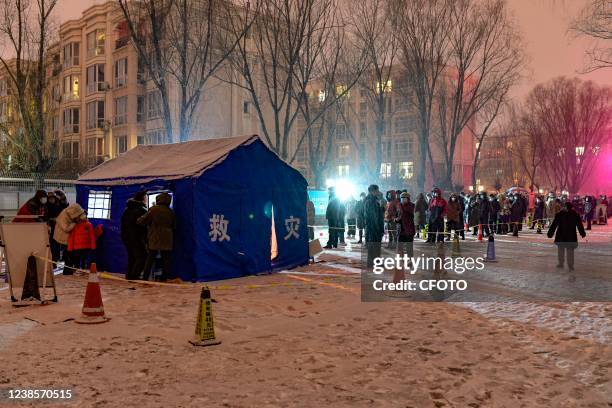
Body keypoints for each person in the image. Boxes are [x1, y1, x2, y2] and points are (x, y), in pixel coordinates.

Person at [138, 192, 175, 281]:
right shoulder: (170, 211)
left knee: (150, 258)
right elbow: (174, 225)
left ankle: (145, 277)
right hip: (167, 237)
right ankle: (164, 278)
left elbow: (142, 221)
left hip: (155, 236)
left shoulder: (154, 209)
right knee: (165, 259)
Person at [547, 201, 586, 272]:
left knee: (561, 250)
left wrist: (550, 233)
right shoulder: (575, 214)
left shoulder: (559, 214)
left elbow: (554, 225)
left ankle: (561, 263)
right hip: (571, 236)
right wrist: (582, 233)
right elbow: (579, 225)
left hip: (561, 235)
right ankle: (570, 265)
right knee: (570, 251)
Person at [121, 191, 149, 280]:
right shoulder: (141, 210)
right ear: (143, 199)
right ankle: (134, 276)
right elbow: (143, 225)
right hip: (136, 237)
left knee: (132, 257)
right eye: (146, 197)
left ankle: (129, 276)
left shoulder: (127, 209)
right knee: (142, 257)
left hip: (126, 237)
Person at [53, 203, 86, 275]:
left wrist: (82, 218)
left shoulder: (75, 212)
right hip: (62, 237)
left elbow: (82, 216)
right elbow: (66, 229)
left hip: (70, 238)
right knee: (68, 255)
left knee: (71, 254)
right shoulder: (63, 216)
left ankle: (71, 270)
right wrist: (74, 223)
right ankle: (67, 272)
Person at [364, 184, 385, 267]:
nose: (378, 192)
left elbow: (379, 212)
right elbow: (374, 217)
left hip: (375, 227)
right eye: (377, 190)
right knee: (374, 246)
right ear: (372, 191)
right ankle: (372, 262)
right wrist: (378, 229)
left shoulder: (375, 200)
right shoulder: (370, 201)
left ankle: (375, 261)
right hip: (373, 228)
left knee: (376, 246)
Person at [45, 191, 65, 262]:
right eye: (50, 198)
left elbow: (65, 206)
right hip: (51, 227)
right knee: (52, 244)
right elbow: (45, 217)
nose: (52, 200)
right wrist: (52, 219)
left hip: (58, 227)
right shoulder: (46, 206)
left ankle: (56, 258)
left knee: (57, 244)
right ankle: (53, 260)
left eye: (53, 198)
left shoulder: (58, 205)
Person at [395, 192, 415, 261]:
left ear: (408, 199)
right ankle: (401, 259)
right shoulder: (398, 206)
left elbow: (412, 214)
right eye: (402, 198)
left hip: (409, 230)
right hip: (401, 230)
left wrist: (403, 209)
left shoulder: (411, 206)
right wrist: (396, 219)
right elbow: (396, 216)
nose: (403, 200)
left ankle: (410, 260)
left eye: (405, 198)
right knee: (400, 246)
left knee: (409, 247)